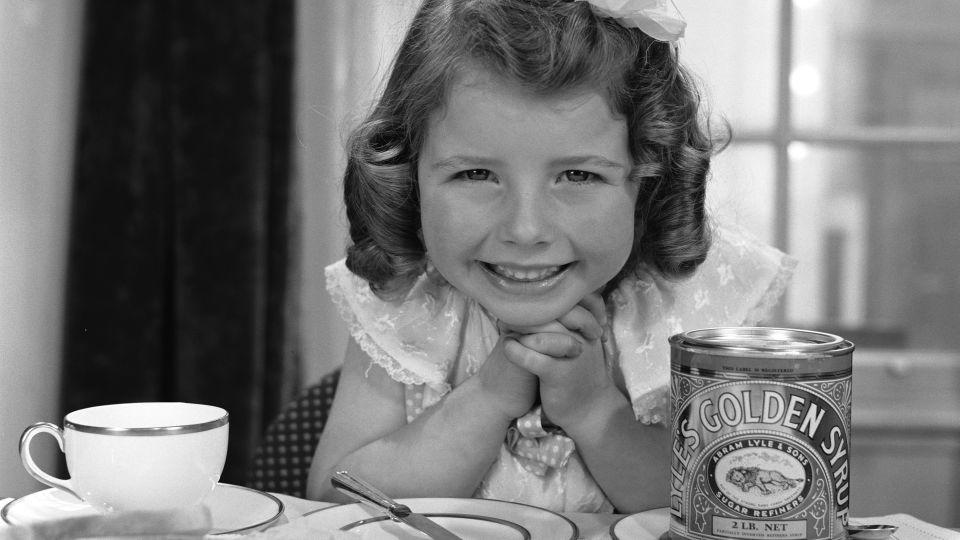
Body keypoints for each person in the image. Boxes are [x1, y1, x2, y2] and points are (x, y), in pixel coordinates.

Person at [306, 0, 795, 514]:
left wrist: (592, 408)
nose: (526, 230)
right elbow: (334, 501)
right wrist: (489, 397)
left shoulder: (693, 309)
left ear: (649, 183)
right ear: (410, 178)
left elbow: (733, 507)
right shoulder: (405, 302)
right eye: (476, 174)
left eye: (578, 176)